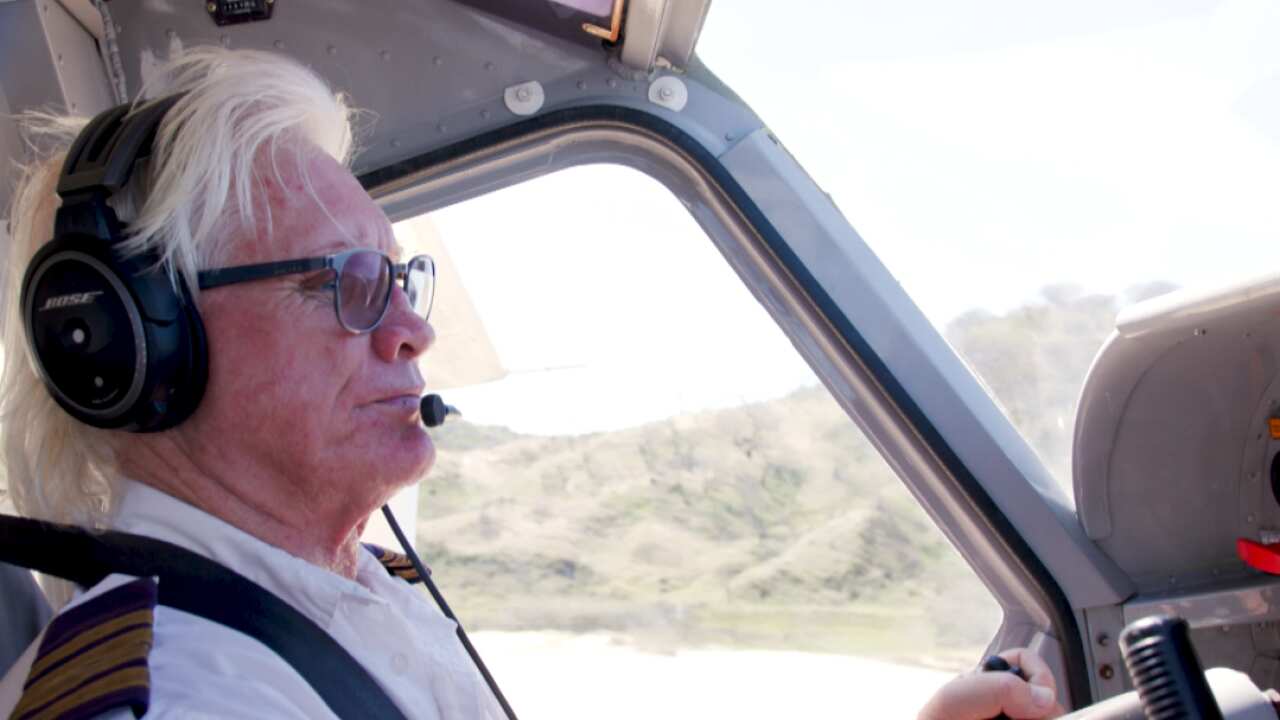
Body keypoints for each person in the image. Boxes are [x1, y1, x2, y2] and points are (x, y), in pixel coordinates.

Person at [0, 46, 1063, 719]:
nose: (413, 331)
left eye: (398, 275)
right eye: (346, 282)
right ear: (135, 341)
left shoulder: (340, 595)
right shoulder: (185, 692)